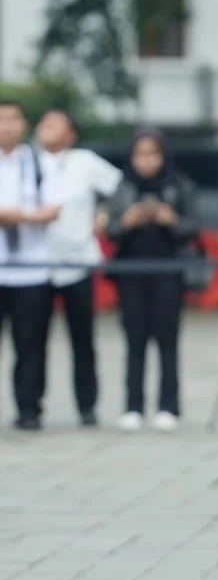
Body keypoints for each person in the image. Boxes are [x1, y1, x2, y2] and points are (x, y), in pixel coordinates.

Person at [106, 129, 199, 432]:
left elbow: (193, 228)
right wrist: (127, 221)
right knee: (134, 338)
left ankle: (168, 407)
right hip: (131, 272)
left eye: (153, 154)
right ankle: (133, 406)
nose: (146, 161)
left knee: (167, 339)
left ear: (163, 156)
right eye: (140, 155)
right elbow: (110, 231)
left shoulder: (179, 185)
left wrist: (169, 219)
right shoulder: (121, 187)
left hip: (168, 271)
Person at [36, 108, 123, 427]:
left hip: (78, 261)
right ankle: (31, 406)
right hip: (36, 264)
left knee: (82, 339)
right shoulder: (27, 161)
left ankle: (87, 406)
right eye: (43, 123)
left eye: (55, 123)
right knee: (32, 341)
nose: (46, 127)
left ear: (70, 134)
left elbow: (120, 188)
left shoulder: (85, 161)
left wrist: (104, 216)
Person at [0, 100, 64, 430]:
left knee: (31, 346)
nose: (6, 126)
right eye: (1, 120)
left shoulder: (40, 163)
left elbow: (53, 209)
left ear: (25, 124)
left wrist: (18, 216)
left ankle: (29, 409)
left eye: (13, 119)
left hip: (31, 269)